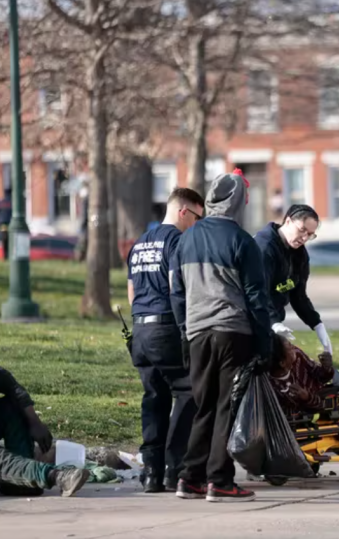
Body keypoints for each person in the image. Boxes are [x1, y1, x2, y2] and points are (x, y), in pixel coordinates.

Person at [170, 170, 272, 502]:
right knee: (226, 407)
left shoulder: (185, 239)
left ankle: (190, 479)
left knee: (204, 407)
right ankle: (220, 481)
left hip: (198, 333)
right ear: (237, 204)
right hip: (232, 333)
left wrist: (186, 332)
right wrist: (265, 343)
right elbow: (257, 299)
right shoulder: (243, 241)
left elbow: (177, 294)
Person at [127, 187, 204, 493]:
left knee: (154, 398)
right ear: (184, 211)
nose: (197, 224)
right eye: (197, 217)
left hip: (140, 329)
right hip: (166, 326)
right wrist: (186, 329)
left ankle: (150, 473)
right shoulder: (178, 240)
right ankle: (175, 467)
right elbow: (177, 287)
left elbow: (132, 290)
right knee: (189, 391)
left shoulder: (140, 243)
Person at [0, 328, 89, 497]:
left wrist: (35, 422)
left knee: (12, 407)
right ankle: (56, 476)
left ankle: (22, 483)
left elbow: (10, 386)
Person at [254, 204, 333, 354]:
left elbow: (298, 295)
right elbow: (258, 292)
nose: (304, 238)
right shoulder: (264, 248)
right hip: (249, 320)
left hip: (271, 320)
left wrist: (316, 324)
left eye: (310, 234)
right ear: (288, 221)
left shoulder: (300, 254)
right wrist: (274, 323)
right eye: (302, 230)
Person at [269, 337, 334, 412]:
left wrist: (326, 368)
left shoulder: (298, 356)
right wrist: (307, 397)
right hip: (318, 403)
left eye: (291, 344)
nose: (294, 347)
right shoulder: (276, 388)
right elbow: (320, 406)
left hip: (324, 389)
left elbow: (318, 374)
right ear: (282, 363)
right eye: (290, 348)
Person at [0, 189, 12, 260]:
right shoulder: (11, 203)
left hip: (1, 223)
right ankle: (7, 255)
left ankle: (5, 255)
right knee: (8, 238)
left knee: (4, 238)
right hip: (8, 223)